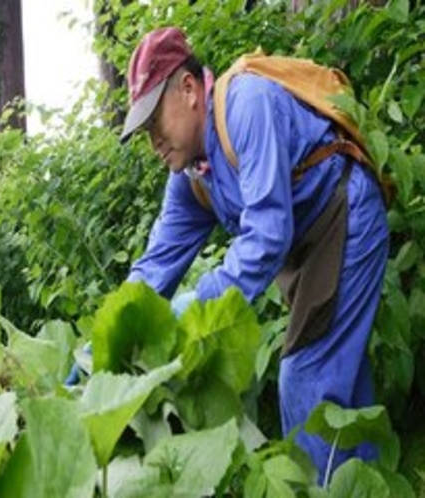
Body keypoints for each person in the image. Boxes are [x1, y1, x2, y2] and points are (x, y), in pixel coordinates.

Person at [119, 26, 389, 482]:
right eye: (143, 132)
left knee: (305, 378)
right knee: (338, 387)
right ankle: (369, 485)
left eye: (154, 123)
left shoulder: (245, 103)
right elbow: (155, 266)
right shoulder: (191, 177)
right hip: (312, 247)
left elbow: (267, 235)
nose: (154, 143)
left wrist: (198, 303)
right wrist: (103, 341)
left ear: (187, 89)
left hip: (347, 214)